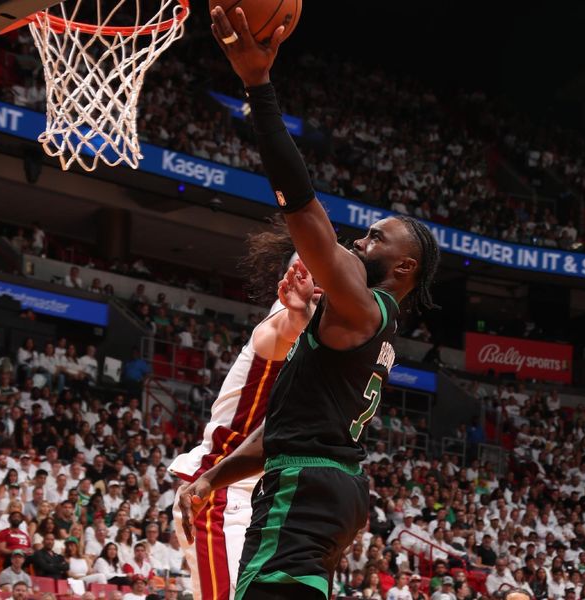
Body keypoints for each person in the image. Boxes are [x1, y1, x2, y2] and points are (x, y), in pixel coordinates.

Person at [181, 9, 440, 600]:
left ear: (403, 268)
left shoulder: (363, 306)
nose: (358, 241)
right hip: (332, 483)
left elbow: (303, 210)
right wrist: (215, 478)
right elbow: (288, 427)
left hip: (307, 484)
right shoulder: (367, 327)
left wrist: (257, 86)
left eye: (375, 239)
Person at [170, 230, 317, 600]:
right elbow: (291, 326)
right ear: (300, 277)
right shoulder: (279, 325)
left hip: (266, 497)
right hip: (221, 492)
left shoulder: (321, 339)